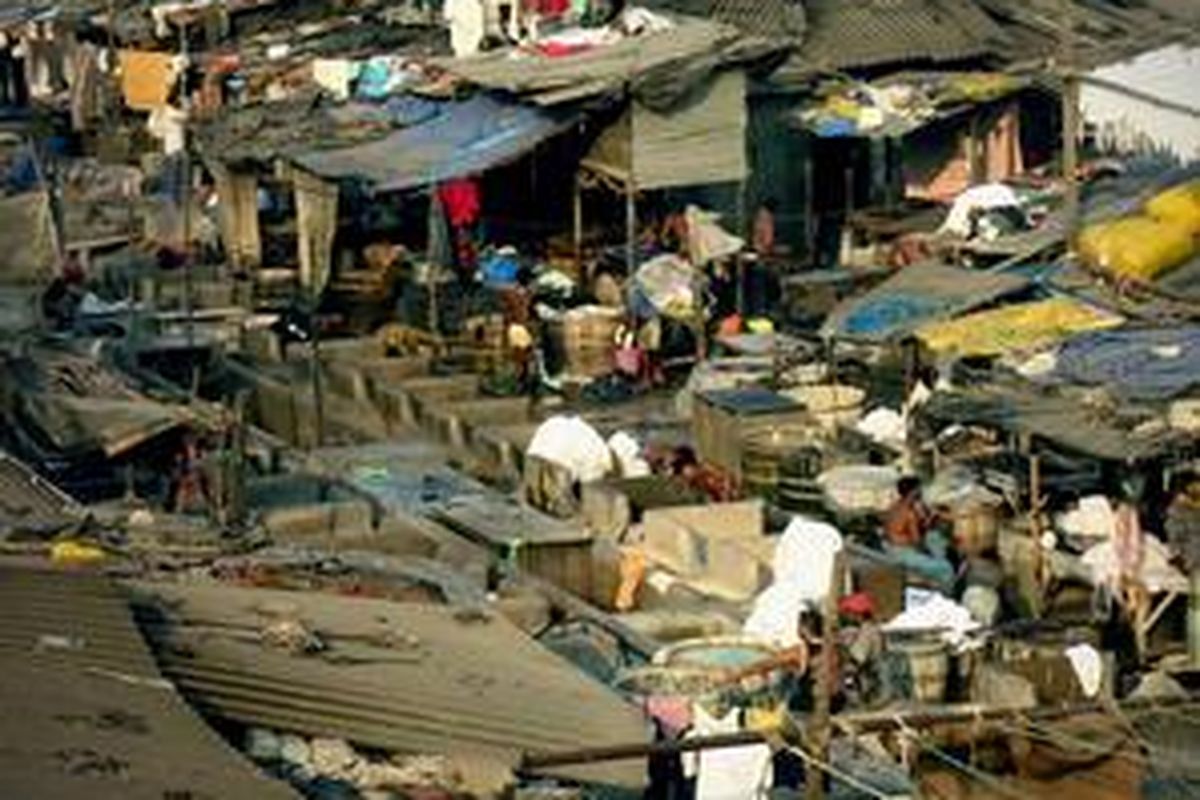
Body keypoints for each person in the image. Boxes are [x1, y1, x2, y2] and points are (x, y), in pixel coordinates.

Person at [882, 476, 956, 591]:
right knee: (945, 567)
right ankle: (947, 590)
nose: (921, 492)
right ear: (912, 493)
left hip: (890, 547)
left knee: (935, 539)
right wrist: (929, 553)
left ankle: (939, 562)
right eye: (918, 489)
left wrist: (926, 521)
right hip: (901, 553)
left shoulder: (895, 506)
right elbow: (917, 541)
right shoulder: (909, 513)